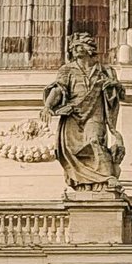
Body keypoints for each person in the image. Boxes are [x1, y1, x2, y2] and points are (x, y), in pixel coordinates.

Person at [43, 32, 124, 190]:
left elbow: (120, 93)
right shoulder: (67, 69)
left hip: (95, 112)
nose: (75, 49)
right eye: (73, 47)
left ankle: (106, 177)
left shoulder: (105, 70)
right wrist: (47, 105)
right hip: (73, 114)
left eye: (79, 46)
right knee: (74, 150)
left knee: (95, 140)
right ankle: (84, 183)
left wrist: (111, 85)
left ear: (89, 48)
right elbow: (59, 89)